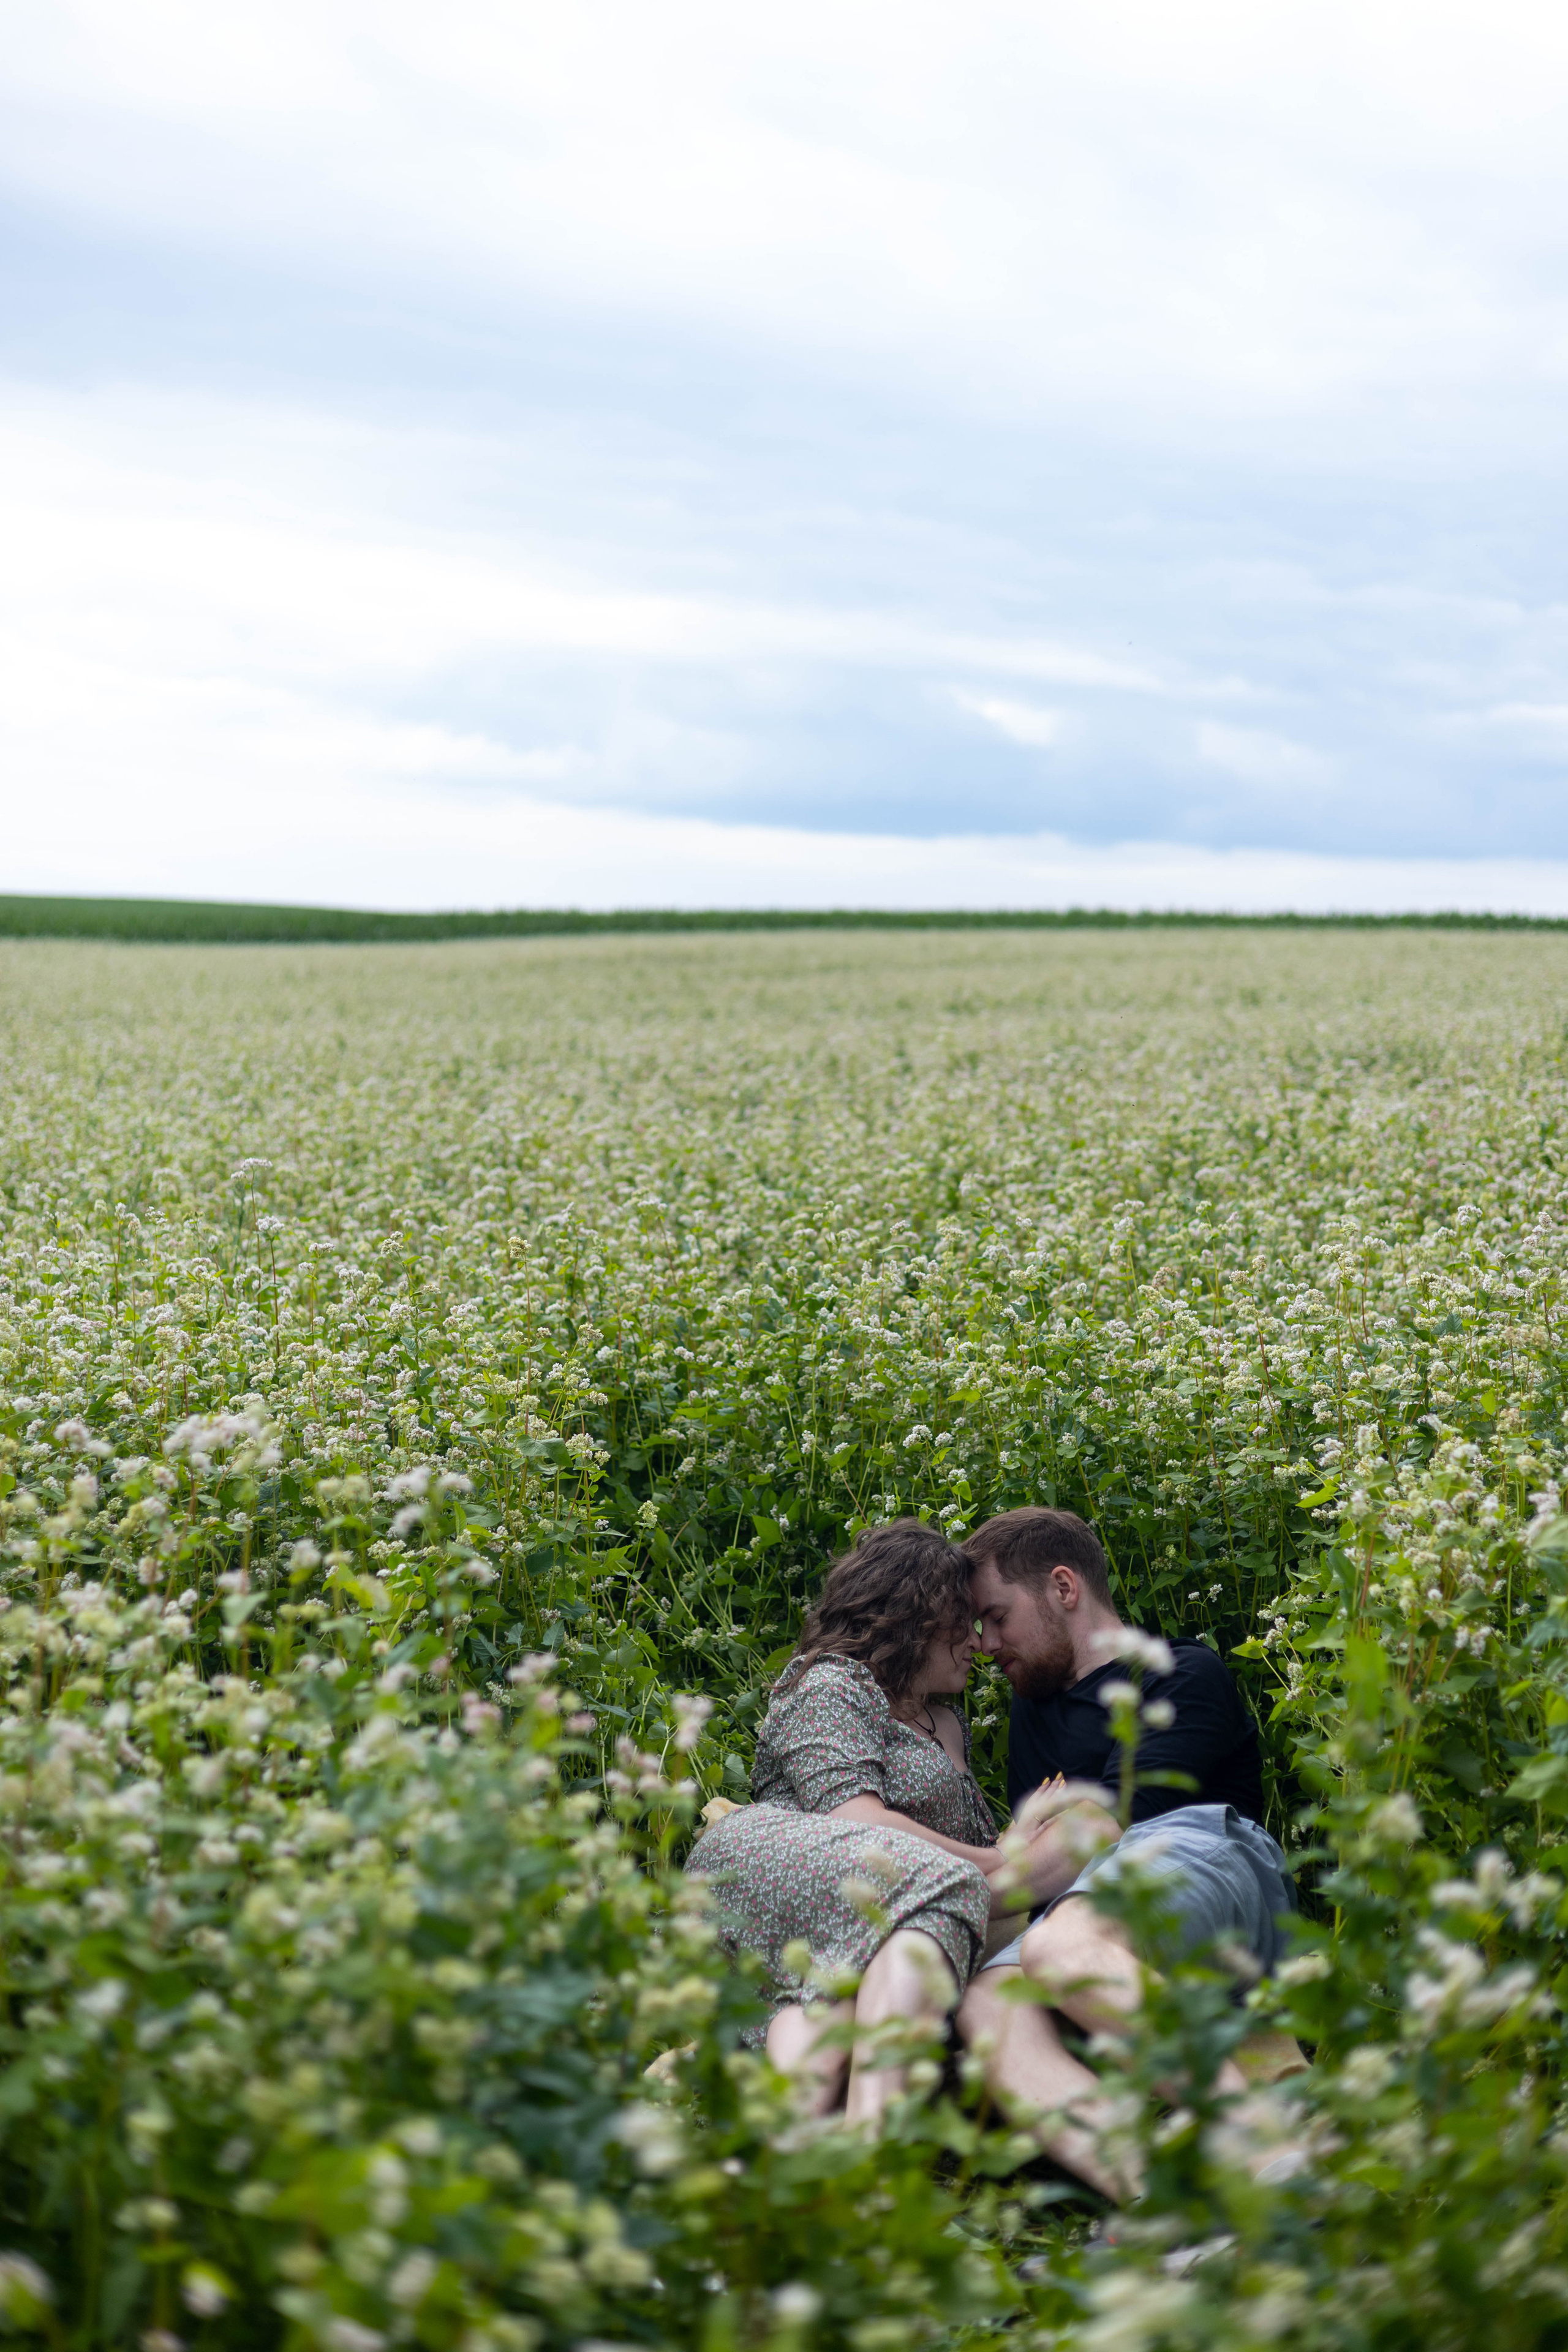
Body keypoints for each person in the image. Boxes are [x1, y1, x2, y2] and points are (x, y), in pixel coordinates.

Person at [955, 1506, 1299, 2174]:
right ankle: (1160, 2205)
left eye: (996, 1617)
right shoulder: (1031, 1710)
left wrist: (949, 1887)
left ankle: (1274, 2164)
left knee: (1061, 1946)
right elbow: (1038, 1855)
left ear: (1064, 1587)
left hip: (1198, 1849)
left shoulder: (1177, 1673)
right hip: (1086, 1903)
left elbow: (1093, 1834)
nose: (986, 1643)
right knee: (989, 2003)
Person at [688, 1520, 1011, 2129]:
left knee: (847, 1992)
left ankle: (797, 2154)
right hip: (782, 1878)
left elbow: (961, 1846)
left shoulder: (945, 1722)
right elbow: (854, 1818)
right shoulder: (831, 1683)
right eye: (963, 1621)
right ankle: (858, 2152)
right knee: (913, 1918)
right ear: (917, 1617)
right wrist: (1002, 1866)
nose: (978, 1642)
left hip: (874, 1909)